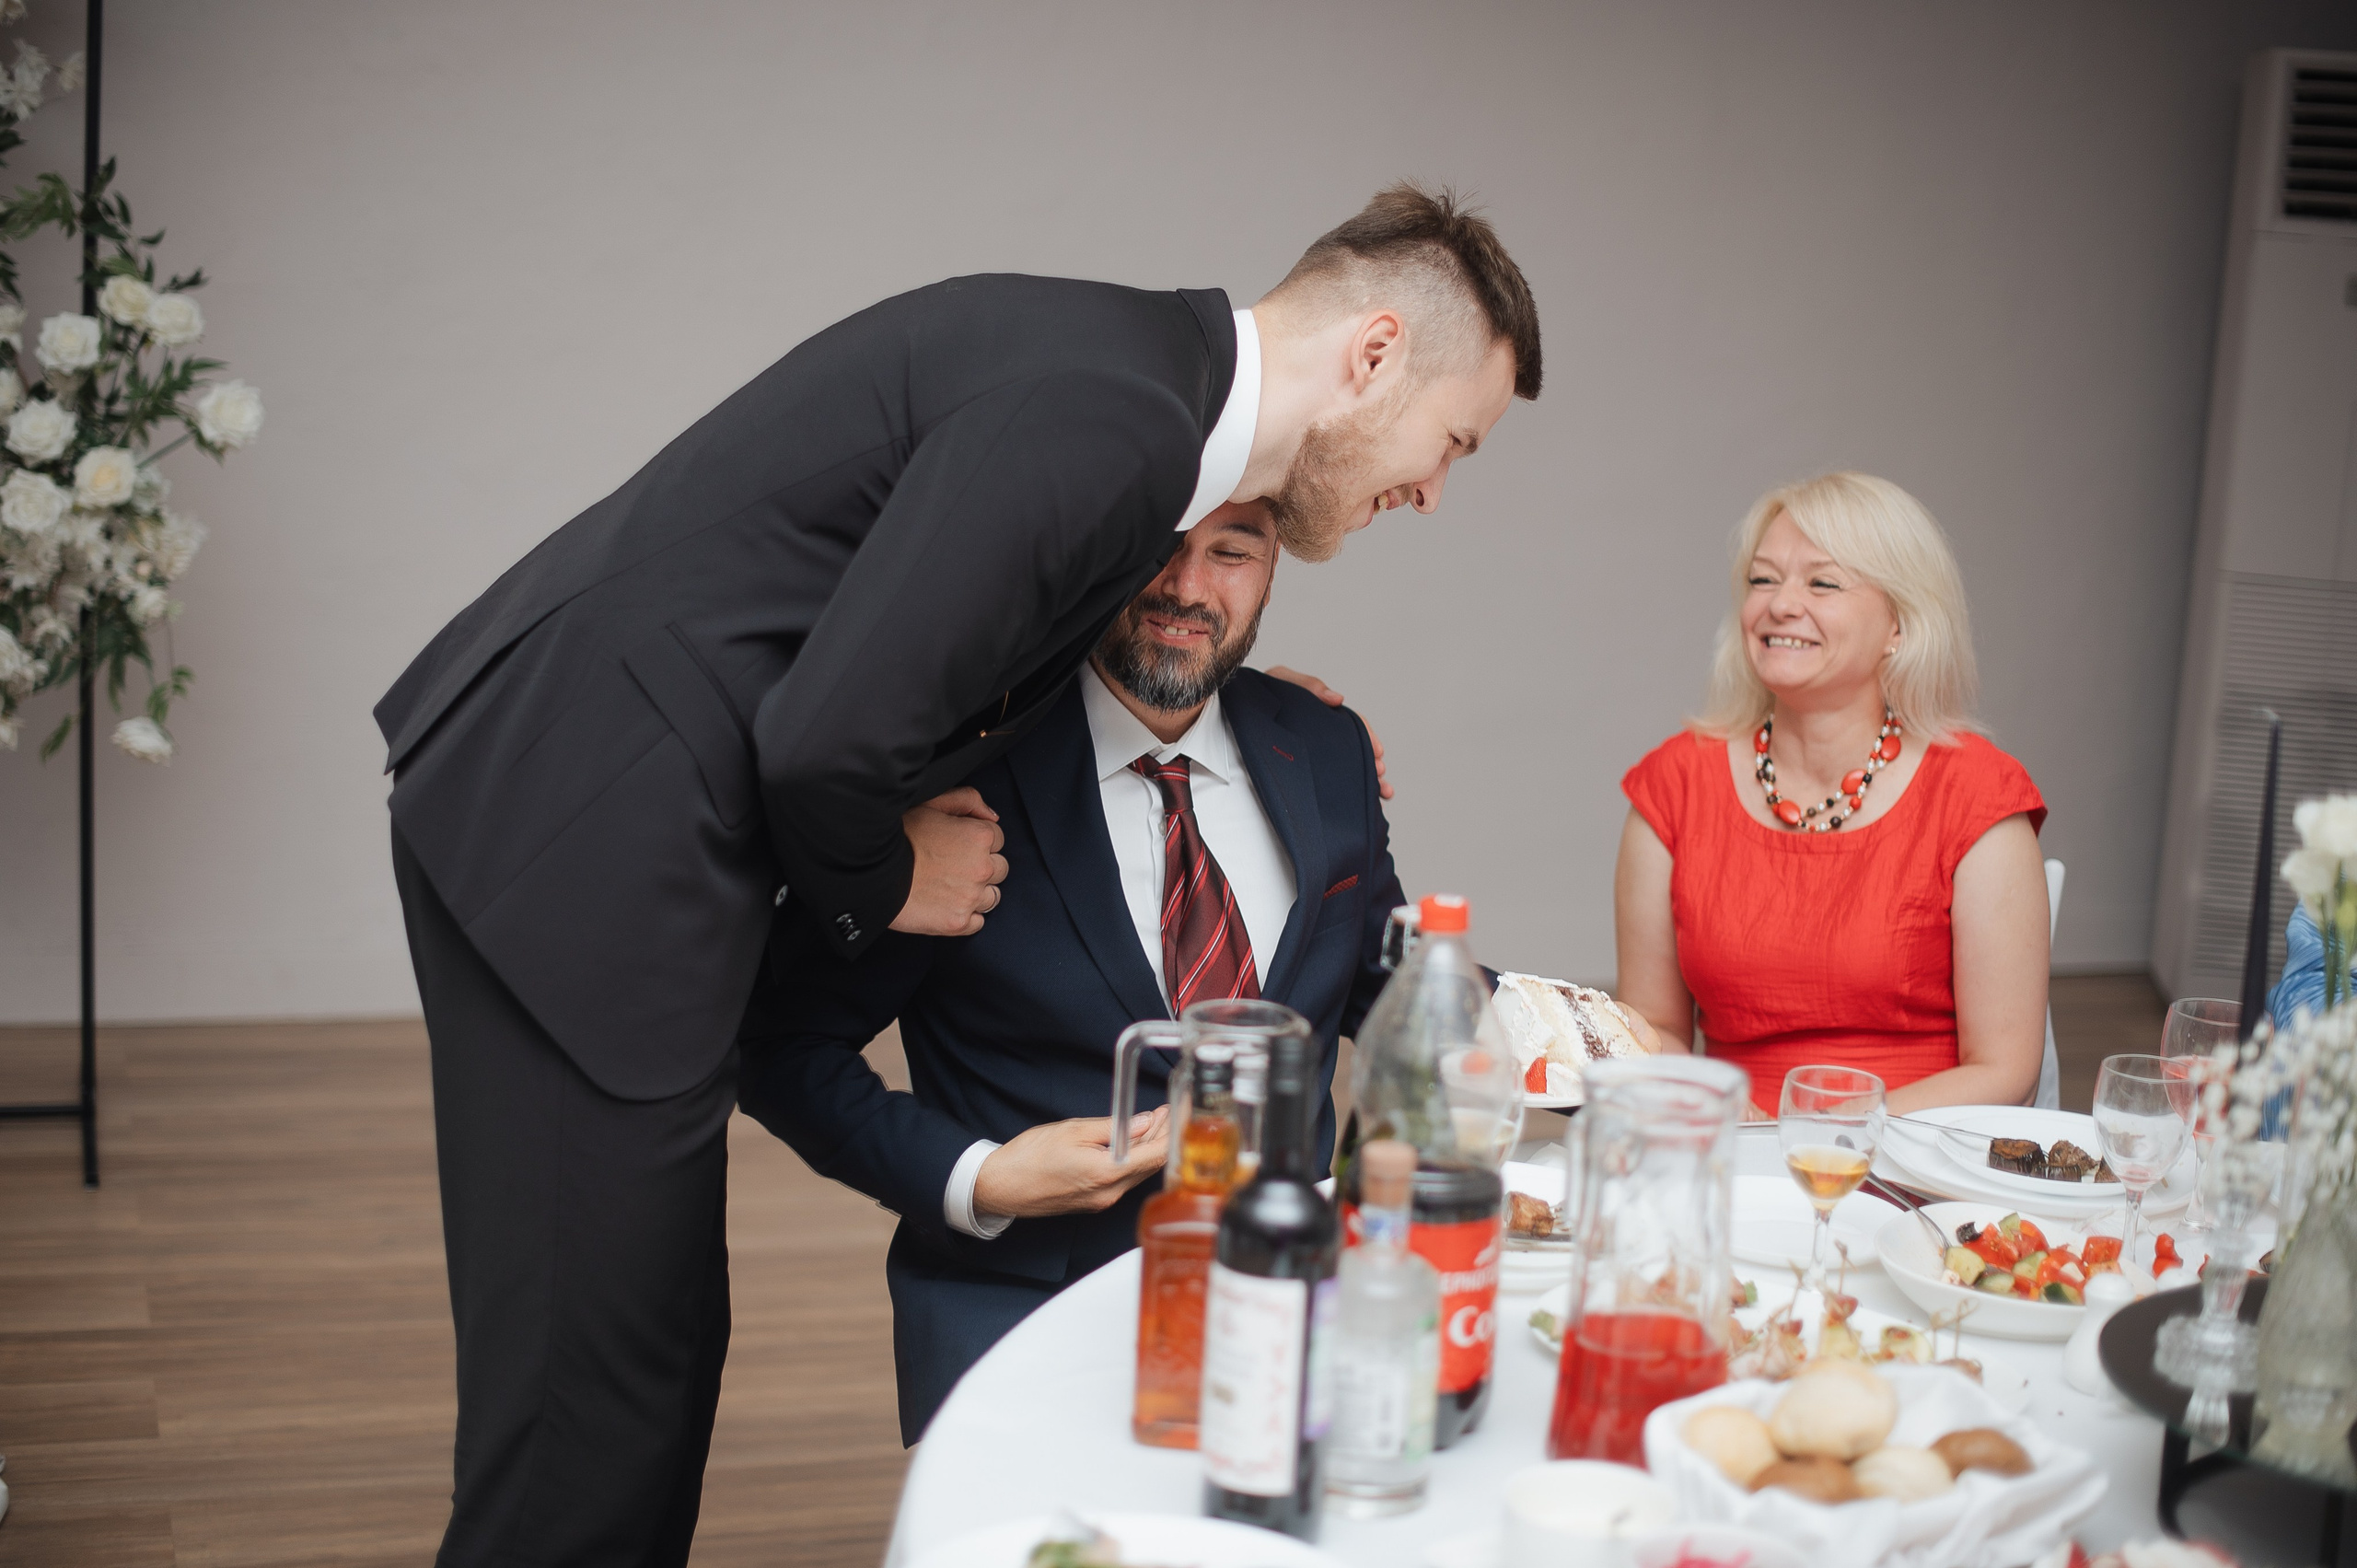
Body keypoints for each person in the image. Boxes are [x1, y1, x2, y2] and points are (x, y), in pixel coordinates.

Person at [374, 183, 1540, 1566]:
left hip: (589, 806)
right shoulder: (1126, 423)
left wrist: (1263, 720)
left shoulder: (1132, 382)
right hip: (584, 830)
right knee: (588, 1413)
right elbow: (825, 737)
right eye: (1451, 439)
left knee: (650, 1364)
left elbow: (940, 640)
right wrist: (890, 875)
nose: (1432, 487)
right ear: (1375, 355)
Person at [735, 499, 1401, 1442]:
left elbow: (1396, 988)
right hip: (1028, 1324)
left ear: (1271, 571)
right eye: (1158, 547)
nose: (1186, 588)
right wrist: (982, 1178)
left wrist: (1587, 1039)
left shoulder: (1326, 746)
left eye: (1231, 552)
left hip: (1290, 1316)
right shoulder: (953, 775)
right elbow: (779, 1044)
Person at [1613, 472, 2049, 1119]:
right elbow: (1653, 1029)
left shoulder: (1978, 795)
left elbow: (2006, 1070)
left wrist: (1822, 1132)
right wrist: (1718, 1108)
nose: (1781, 605)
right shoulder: (1673, 786)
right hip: (1733, 1147)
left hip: (1914, 1152)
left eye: (1822, 583)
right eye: (1763, 579)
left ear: (1899, 624)